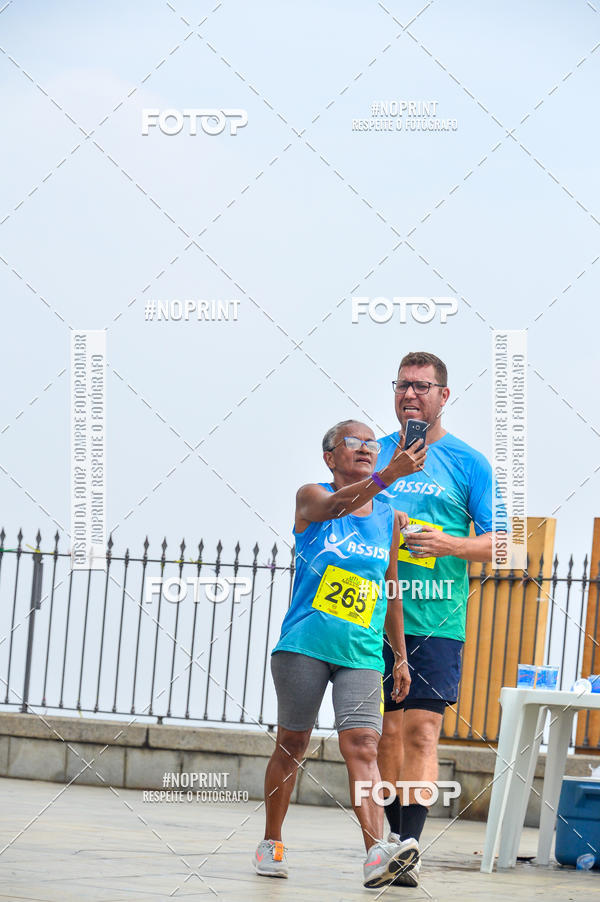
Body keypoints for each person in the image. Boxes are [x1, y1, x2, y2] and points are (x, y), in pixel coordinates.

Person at [254, 419, 426, 889]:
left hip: (362, 652)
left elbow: (391, 588)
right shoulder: (312, 496)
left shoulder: (387, 516)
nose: (366, 448)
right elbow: (335, 506)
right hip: (305, 645)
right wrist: (389, 475)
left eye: (372, 443)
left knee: (364, 746)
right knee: (292, 745)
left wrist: (401, 656)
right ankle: (271, 841)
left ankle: (375, 853)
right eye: (354, 442)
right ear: (330, 456)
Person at [375, 351, 497, 887]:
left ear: (443, 396)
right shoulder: (374, 453)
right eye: (403, 385)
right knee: (385, 732)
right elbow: (341, 511)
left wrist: (450, 544)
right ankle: (389, 838)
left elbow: (505, 544)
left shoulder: (469, 463)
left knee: (422, 731)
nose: (410, 394)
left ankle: (409, 847)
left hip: (437, 617)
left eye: (422, 386)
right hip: (373, 614)